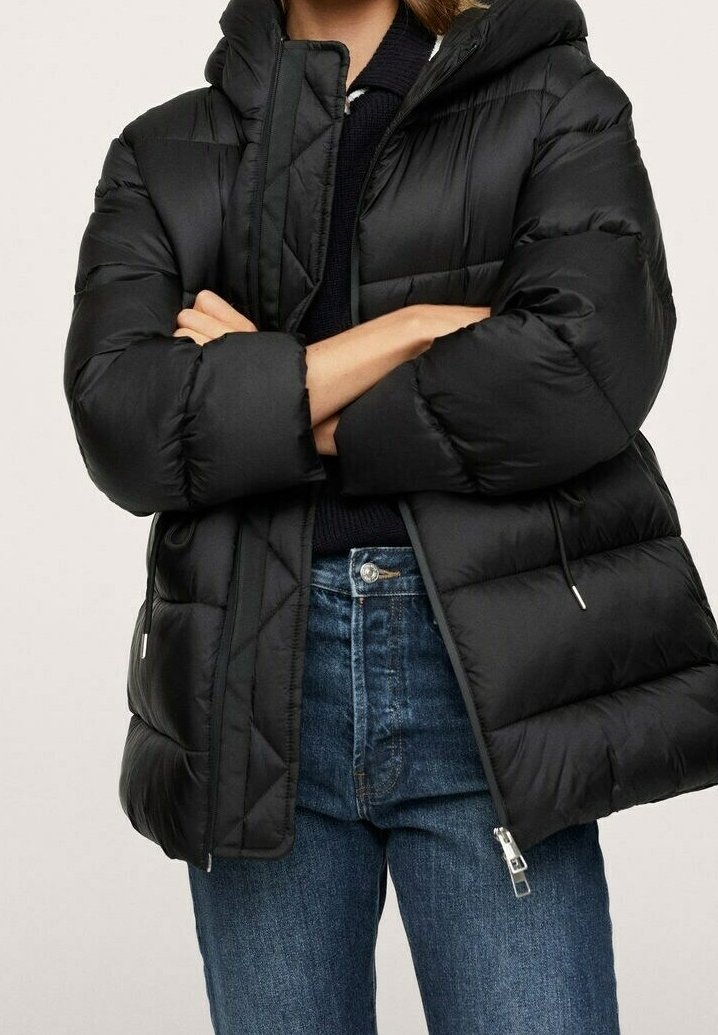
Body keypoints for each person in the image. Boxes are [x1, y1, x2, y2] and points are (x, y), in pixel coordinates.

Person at [63, 0, 718, 1032]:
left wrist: (266, 396)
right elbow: (126, 426)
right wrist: (408, 331)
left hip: (487, 677)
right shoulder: (163, 152)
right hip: (250, 684)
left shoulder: (555, 102)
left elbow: (584, 368)